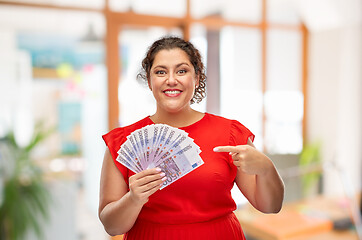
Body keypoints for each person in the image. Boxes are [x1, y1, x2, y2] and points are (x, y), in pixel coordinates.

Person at [99, 36, 284, 240]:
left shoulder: (230, 134)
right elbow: (111, 226)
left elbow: (270, 206)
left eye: (181, 71)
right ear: (150, 81)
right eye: (160, 72)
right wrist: (133, 199)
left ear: (196, 78)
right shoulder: (122, 142)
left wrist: (267, 168)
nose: (171, 79)